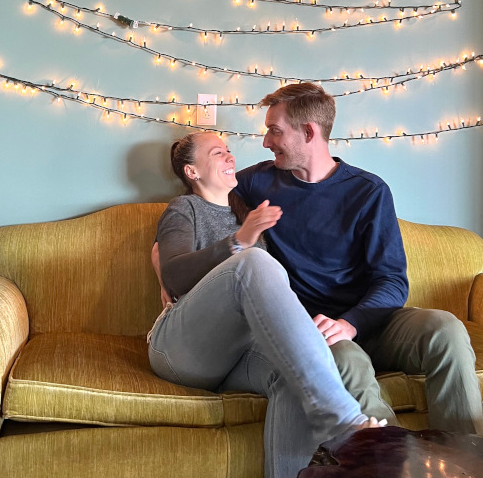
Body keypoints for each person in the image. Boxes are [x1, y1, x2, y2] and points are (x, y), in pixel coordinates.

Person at [231, 82, 483, 436]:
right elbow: (202, 191)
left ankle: (463, 458)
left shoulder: (368, 191)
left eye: (274, 131)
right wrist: (168, 256)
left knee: (448, 330)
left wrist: (351, 322)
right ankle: (392, 461)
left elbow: (393, 280)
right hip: (313, 330)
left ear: (308, 132)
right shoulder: (260, 181)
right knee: (347, 358)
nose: (265, 141)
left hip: (375, 323)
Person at [148, 131, 385, 478]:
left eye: (229, 151)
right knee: (252, 263)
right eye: (217, 153)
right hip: (181, 349)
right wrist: (239, 243)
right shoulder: (185, 208)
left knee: (294, 375)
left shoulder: (249, 214)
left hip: (239, 355)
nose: (230, 157)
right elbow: (174, 275)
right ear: (192, 172)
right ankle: (343, 422)